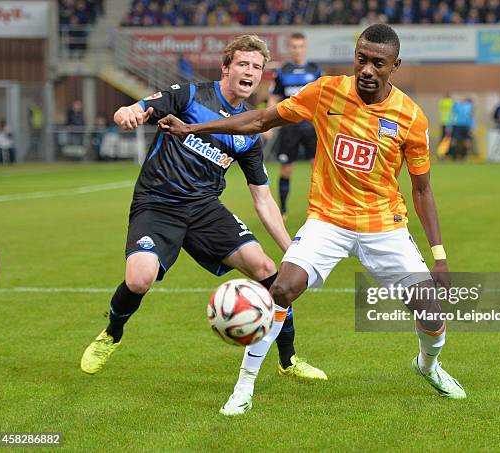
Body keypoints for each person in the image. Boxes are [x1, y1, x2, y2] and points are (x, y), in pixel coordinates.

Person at [159, 24, 466, 415]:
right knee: (282, 289)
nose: (367, 69)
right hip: (329, 220)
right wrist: (192, 127)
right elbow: (259, 121)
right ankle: (244, 387)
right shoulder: (325, 91)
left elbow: (422, 190)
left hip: (384, 225)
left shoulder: (410, 118)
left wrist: (438, 255)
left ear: (395, 65)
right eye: (361, 59)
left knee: (430, 308)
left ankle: (429, 365)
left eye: (378, 63)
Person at [80, 35, 325, 386]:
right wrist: (128, 112)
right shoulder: (190, 95)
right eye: (242, 64)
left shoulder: (249, 130)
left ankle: (289, 359)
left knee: (268, 270)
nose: (249, 72)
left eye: (257, 67)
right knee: (139, 278)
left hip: (204, 209)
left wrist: (293, 250)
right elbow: (142, 107)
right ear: (226, 67)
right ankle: (111, 334)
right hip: (158, 203)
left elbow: (263, 198)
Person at [265, 32, 322, 219]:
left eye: (300, 46)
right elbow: (274, 98)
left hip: (311, 127)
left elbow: (324, 99)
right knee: (286, 168)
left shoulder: (315, 70)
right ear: (290, 48)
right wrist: (268, 125)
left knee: (319, 169)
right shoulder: (283, 71)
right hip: (289, 127)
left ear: (305, 48)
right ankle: (282, 211)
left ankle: (321, 208)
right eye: (294, 47)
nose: (297, 50)